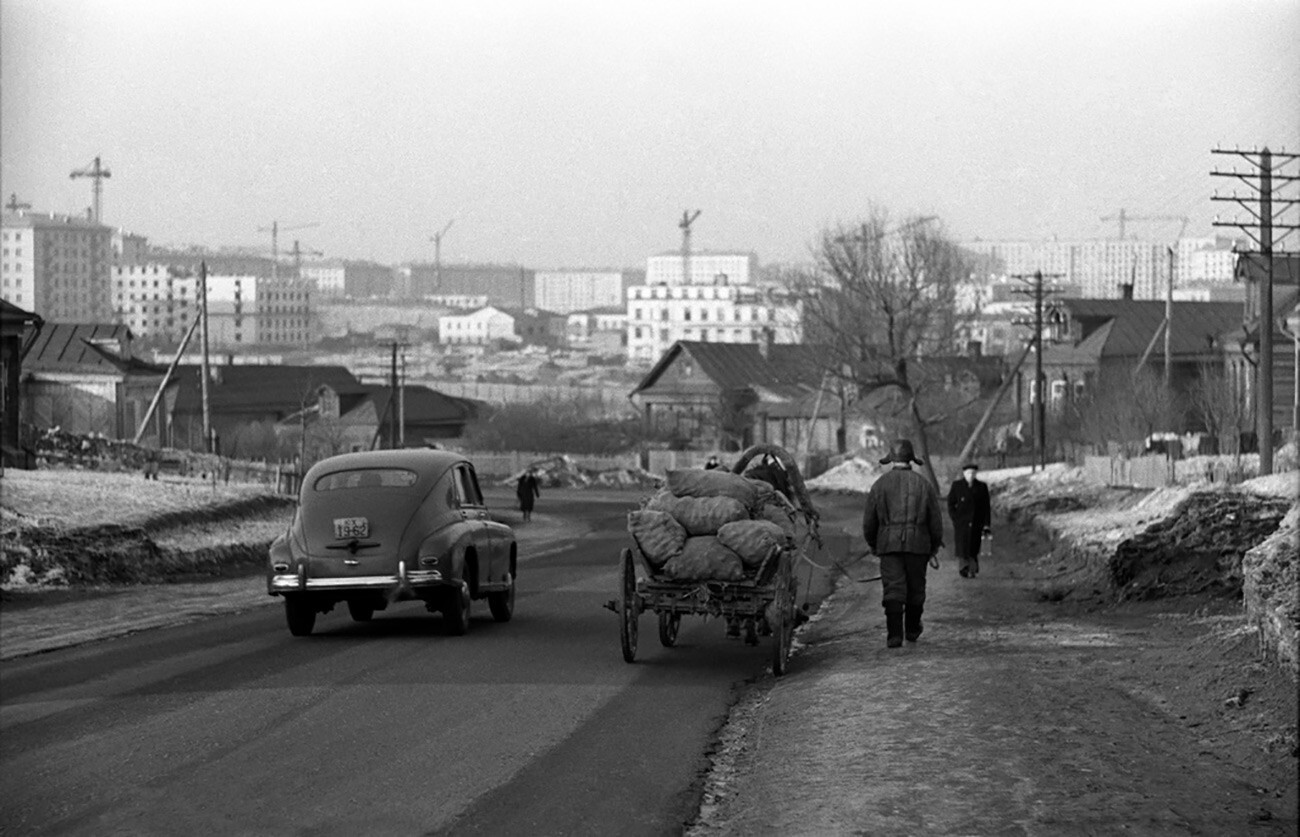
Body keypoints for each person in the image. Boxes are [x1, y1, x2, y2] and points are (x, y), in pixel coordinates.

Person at [862, 439, 944, 648]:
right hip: (918, 546)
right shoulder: (924, 485)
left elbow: (869, 522)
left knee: (893, 588)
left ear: (891, 459)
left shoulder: (879, 485)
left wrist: (874, 544)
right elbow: (935, 521)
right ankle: (913, 630)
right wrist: (933, 546)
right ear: (911, 460)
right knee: (916, 588)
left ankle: (894, 635)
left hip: (888, 546)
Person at [947, 462, 992, 579]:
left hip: (977, 522)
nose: (971, 475)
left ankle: (972, 568)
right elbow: (951, 503)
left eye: (973, 473)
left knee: (973, 546)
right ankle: (964, 567)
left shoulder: (981, 487)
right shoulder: (957, 486)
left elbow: (986, 507)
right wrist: (955, 518)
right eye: (968, 473)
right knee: (962, 546)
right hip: (962, 523)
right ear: (964, 474)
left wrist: (986, 524)